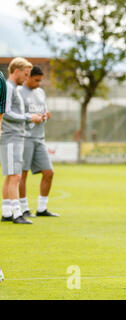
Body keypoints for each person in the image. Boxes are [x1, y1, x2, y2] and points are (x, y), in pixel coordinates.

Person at [1, 58, 43, 224]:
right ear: (16, 70)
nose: (26, 78)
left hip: (16, 135)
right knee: (15, 176)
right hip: (11, 136)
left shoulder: (14, 88)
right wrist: (28, 117)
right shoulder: (8, 87)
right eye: (25, 74)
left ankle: (6, 211)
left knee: (10, 175)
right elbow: (6, 112)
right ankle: (17, 213)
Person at [18, 66, 59, 218]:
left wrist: (46, 115)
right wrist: (31, 117)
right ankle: (23, 209)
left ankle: (42, 209)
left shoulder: (40, 92)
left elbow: (44, 111)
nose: (39, 84)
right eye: (36, 80)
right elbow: (16, 115)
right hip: (24, 137)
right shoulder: (19, 92)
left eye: (40, 81)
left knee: (49, 172)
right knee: (22, 174)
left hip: (39, 138)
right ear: (27, 77)